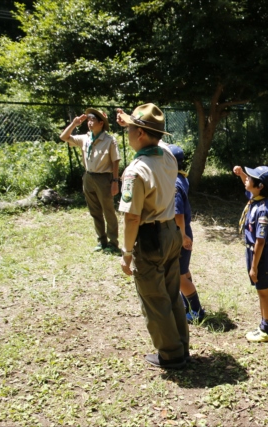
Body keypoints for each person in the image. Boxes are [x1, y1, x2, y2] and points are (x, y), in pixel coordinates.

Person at [116, 103, 188, 369]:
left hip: (150, 238)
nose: (128, 134)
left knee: (154, 299)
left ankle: (171, 355)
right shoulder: (168, 156)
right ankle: (181, 345)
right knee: (171, 294)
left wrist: (126, 254)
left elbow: (132, 217)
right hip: (171, 232)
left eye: (131, 130)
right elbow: (160, 143)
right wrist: (129, 121)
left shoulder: (136, 171)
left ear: (141, 135)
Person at [60, 108, 121, 253]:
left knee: (108, 211)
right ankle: (102, 241)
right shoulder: (85, 138)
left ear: (101, 123)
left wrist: (115, 181)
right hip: (88, 177)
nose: (89, 123)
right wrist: (74, 123)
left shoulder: (109, 140)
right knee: (95, 211)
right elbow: (63, 137)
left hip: (104, 178)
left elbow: (115, 162)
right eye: (88, 120)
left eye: (92, 120)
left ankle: (113, 243)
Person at [233, 165, 268, 342]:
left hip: (261, 255)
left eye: (250, 178)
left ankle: (267, 329)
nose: (246, 180)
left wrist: (254, 267)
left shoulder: (263, 210)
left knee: (265, 292)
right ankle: (263, 325)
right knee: (261, 291)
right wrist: (241, 174)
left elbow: (260, 240)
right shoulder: (256, 198)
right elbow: (248, 184)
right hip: (253, 252)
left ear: (260, 187)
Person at [167, 144, 205, 324]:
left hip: (179, 232)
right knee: (184, 270)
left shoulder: (174, 183)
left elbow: (178, 215)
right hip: (181, 231)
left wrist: (182, 236)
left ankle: (196, 311)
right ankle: (187, 305)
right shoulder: (181, 177)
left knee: (179, 275)